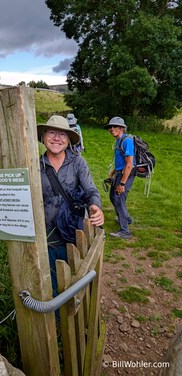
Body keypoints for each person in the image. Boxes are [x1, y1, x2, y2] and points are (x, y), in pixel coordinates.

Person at [37, 115, 104, 297]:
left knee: (73, 278)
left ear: (68, 140)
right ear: (43, 137)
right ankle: (57, 319)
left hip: (71, 231)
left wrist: (95, 207)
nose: (57, 138)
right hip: (46, 234)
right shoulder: (36, 165)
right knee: (50, 278)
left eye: (62, 134)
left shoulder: (77, 162)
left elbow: (91, 190)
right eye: (52, 132)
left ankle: (69, 310)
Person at [103, 116, 135, 239]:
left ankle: (125, 231)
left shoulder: (127, 141)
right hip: (120, 172)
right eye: (110, 127)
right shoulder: (118, 140)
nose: (111, 129)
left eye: (115, 126)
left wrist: (122, 184)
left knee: (118, 199)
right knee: (113, 196)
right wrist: (113, 173)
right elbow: (120, 161)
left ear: (122, 128)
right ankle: (126, 218)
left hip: (126, 174)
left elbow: (129, 164)